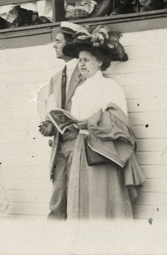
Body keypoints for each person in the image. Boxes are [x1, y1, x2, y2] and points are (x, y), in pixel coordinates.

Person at [60, 27, 145, 218]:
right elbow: (76, 118)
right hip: (82, 147)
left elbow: (121, 122)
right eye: (80, 60)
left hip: (103, 149)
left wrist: (92, 123)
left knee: (103, 196)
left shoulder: (110, 87)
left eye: (86, 60)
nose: (81, 64)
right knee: (83, 196)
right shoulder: (80, 89)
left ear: (99, 62)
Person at [38, 22, 90, 219]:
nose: (54, 46)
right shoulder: (56, 77)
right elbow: (52, 108)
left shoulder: (86, 71)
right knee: (57, 197)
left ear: (70, 44)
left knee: (78, 196)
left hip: (79, 142)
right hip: (60, 144)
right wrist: (49, 124)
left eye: (58, 42)